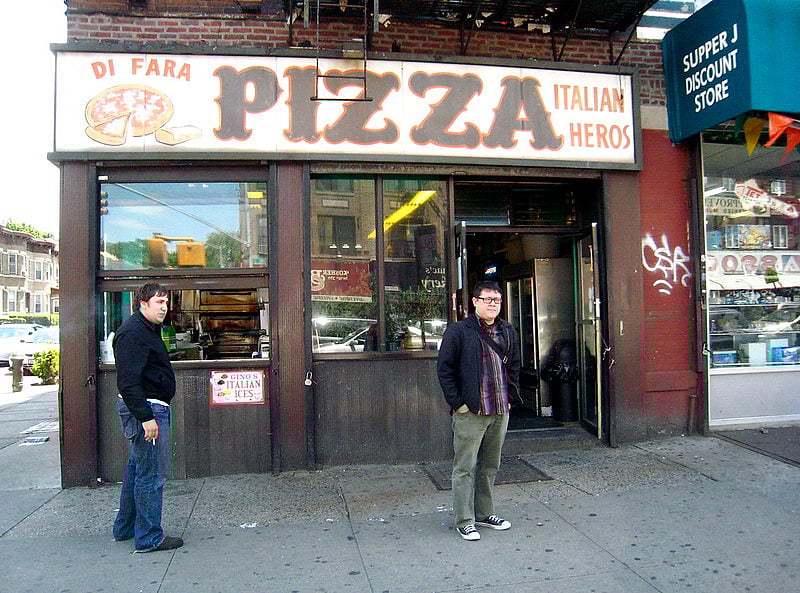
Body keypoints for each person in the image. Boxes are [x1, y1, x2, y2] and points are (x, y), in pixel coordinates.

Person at [437, 280, 520, 541]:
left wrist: (509, 400)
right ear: (474, 302)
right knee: (464, 467)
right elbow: (445, 370)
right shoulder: (459, 331)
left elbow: (515, 365)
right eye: (487, 299)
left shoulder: (507, 330)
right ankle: (464, 520)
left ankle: (484, 514)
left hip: (499, 410)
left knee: (490, 465)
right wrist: (458, 404)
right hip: (471, 412)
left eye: (496, 300)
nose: (492, 304)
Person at [112, 282, 184, 552]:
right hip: (148, 411)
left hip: (149, 408)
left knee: (137, 470)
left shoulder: (145, 330)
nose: (164, 307)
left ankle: (126, 528)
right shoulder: (133, 333)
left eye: (166, 302)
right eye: (158, 302)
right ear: (142, 303)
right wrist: (145, 418)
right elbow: (128, 382)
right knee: (151, 475)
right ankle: (149, 537)